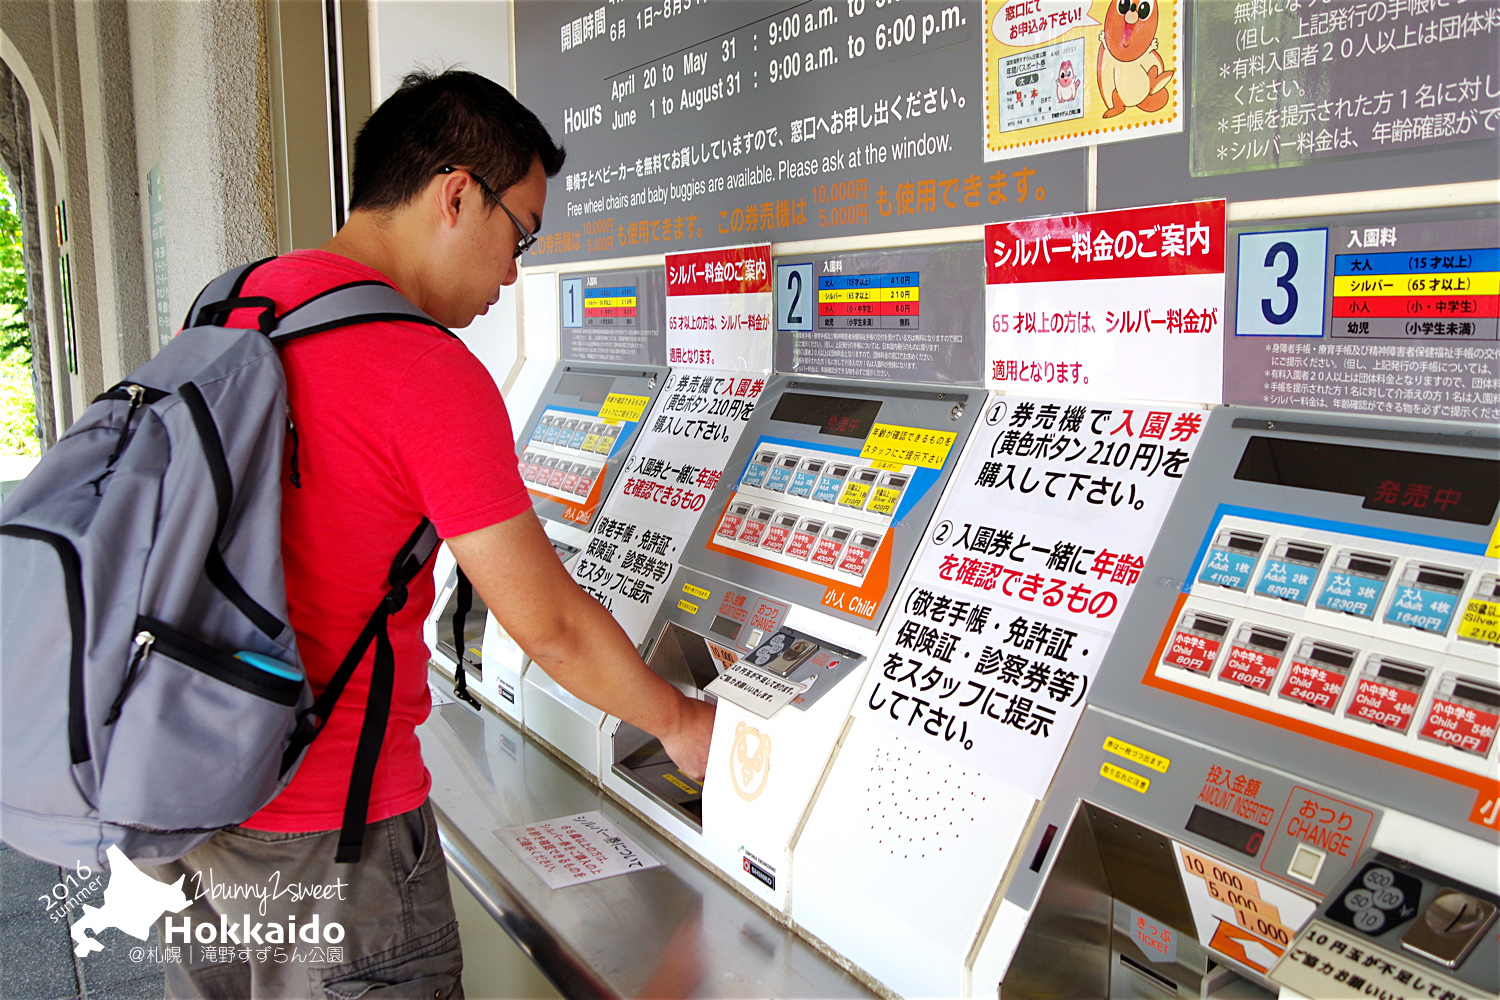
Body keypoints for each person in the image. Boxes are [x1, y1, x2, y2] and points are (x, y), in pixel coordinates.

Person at [147, 69, 715, 1000]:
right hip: (342, 843)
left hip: (201, 805)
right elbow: (549, 626)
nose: (513, 272)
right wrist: (683, 722)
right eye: (520, 233)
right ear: (457, 193)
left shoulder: (229, 305)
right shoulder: (420, 367)